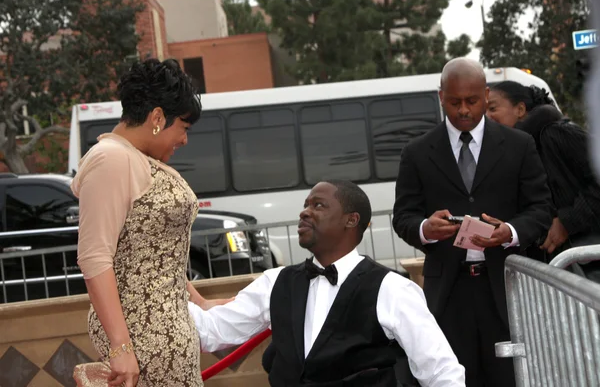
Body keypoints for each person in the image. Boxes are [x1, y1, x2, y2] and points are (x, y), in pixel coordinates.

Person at [189, 180, 466, 387]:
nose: (305, 213)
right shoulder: (275, 283)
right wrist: (161, 286)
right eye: (305, 205)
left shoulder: (392, 289)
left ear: (351, 220)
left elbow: (441, 372)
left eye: (318, 205)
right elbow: (210, 332)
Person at [392, 58, 553, 387]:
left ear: (486, 94)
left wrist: (509, 231)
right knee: (453, 378)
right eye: (454, 102)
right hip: (449, 293)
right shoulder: (417, 152)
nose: (463, 110)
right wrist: (425, 228)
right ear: (441, 97)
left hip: (506, 290)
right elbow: (404, 216)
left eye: (472, 101)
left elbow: (540, 208)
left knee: (510, 379)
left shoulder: (519, 146)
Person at [71, 58, 228, 387]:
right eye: (183, 127)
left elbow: (153, 252)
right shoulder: (111, 159)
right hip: (141, 338)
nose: (184, 140)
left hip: (167, 332)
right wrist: (121, 346)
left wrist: (198, 301)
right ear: (157, 118)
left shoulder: (132, 157)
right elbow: (94, 257)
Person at [487, 81, 600, 280]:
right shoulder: (508, 152)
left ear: (520, 109)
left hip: (586, 265)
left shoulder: (555, 134)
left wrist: (567, 222)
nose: (487, 116)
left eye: (493, 108)